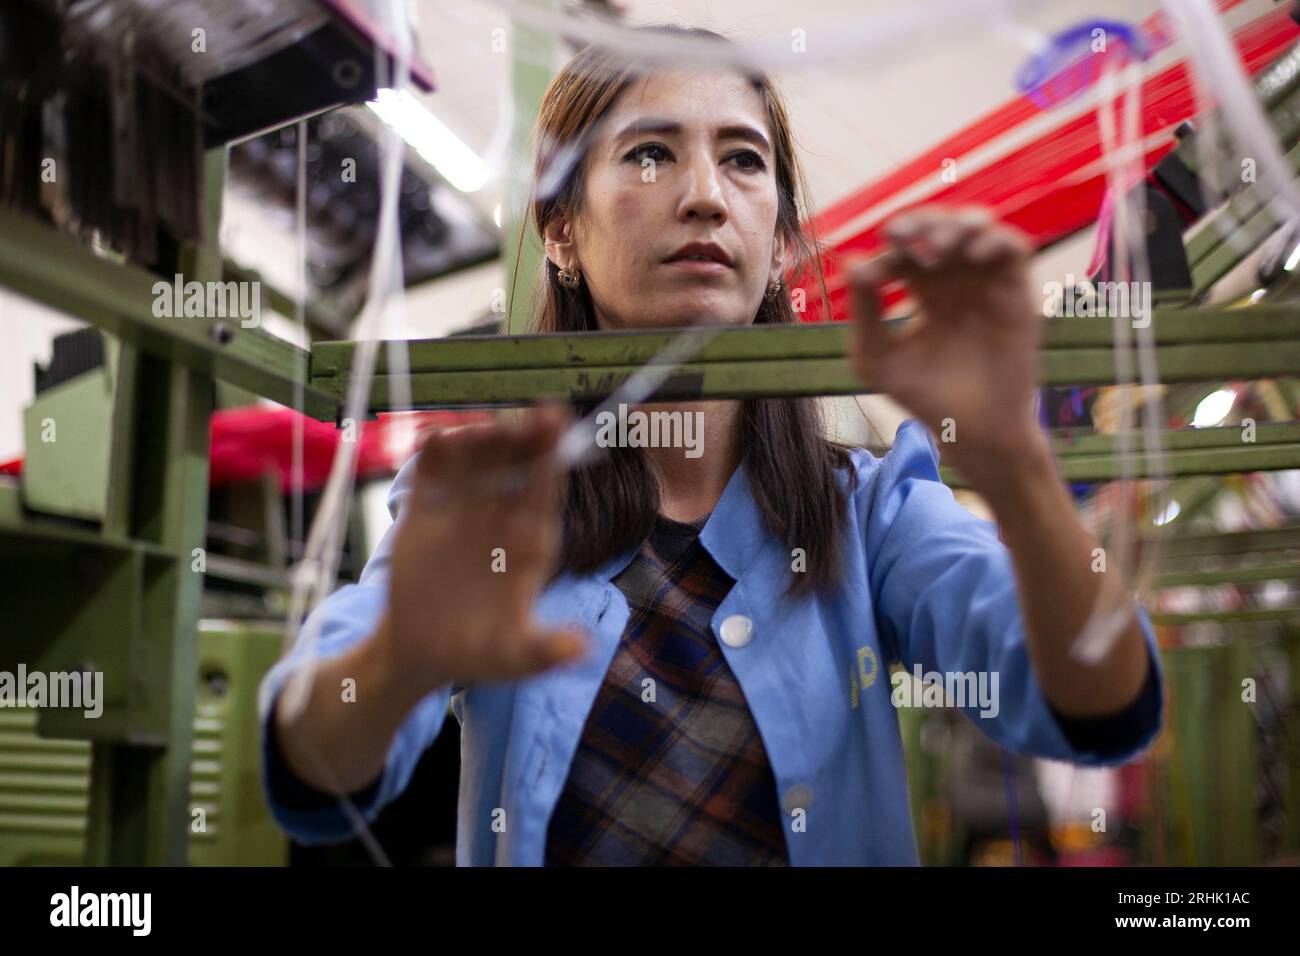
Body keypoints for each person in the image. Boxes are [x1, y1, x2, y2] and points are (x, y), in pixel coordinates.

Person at [258, 26, 1162, 866]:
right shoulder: (484, 508)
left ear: (777, 243)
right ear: (562, 231)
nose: (703, 196)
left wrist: (1015, 468)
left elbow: (1093, 700)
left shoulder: (870, 511)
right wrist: (400, 660)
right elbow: (314, 768)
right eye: (650, 154)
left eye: (742, 160)